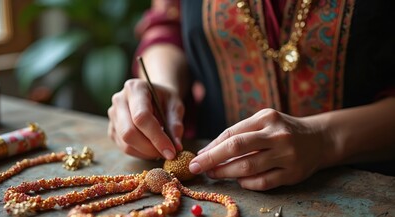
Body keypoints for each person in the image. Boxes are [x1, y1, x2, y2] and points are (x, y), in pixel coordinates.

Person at [107, 0, 395, 191]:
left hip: (371, 185)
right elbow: (169, 24)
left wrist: (326, 139)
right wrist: (160, 84)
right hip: (220, 178)